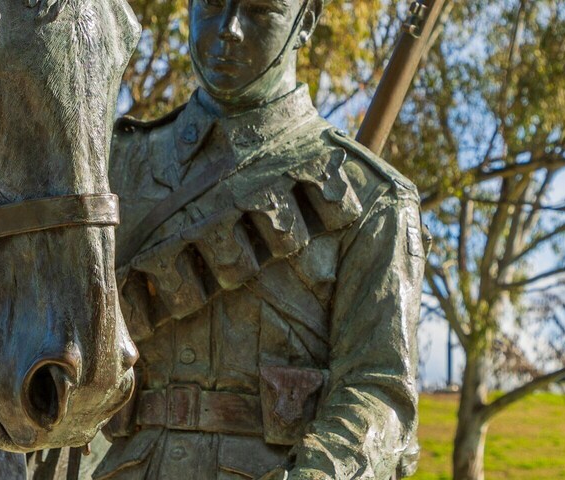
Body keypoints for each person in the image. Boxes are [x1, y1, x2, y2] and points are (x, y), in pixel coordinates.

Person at [93, 0, 424, 477]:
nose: (228, 29)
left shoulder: (371, 197)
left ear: (304, 22)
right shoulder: (110, 165)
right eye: (210, 5)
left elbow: (379, 390)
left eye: (259, 10)